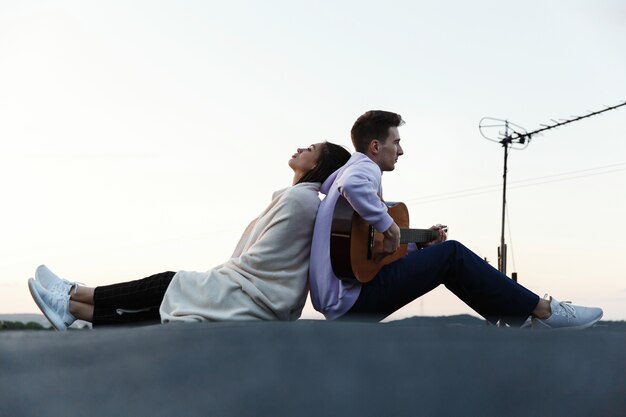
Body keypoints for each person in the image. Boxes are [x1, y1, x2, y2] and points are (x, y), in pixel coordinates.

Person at [309, 110, 603, 329]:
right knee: (452, 254)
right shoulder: (363, 170)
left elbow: (367, 253)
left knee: (445, 257)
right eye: (395, 142)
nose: (401, 150)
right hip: (351, 302)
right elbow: (356, 188)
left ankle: (520, 315)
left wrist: (416, 246)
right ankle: (544, 310)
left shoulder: (346, 178)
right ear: (375, 146)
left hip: (342, 300)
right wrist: (389, 227)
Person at [28, 141, 351, 330]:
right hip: (255, 291)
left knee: (169, 284)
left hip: (255, 294)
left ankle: (73, 292)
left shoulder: (301, 200)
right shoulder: (299, 198)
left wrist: (226, 274)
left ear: (319, 164)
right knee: (162, 308)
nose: (300, 148)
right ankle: (71, 308)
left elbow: (264, 260)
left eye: (310, 149)